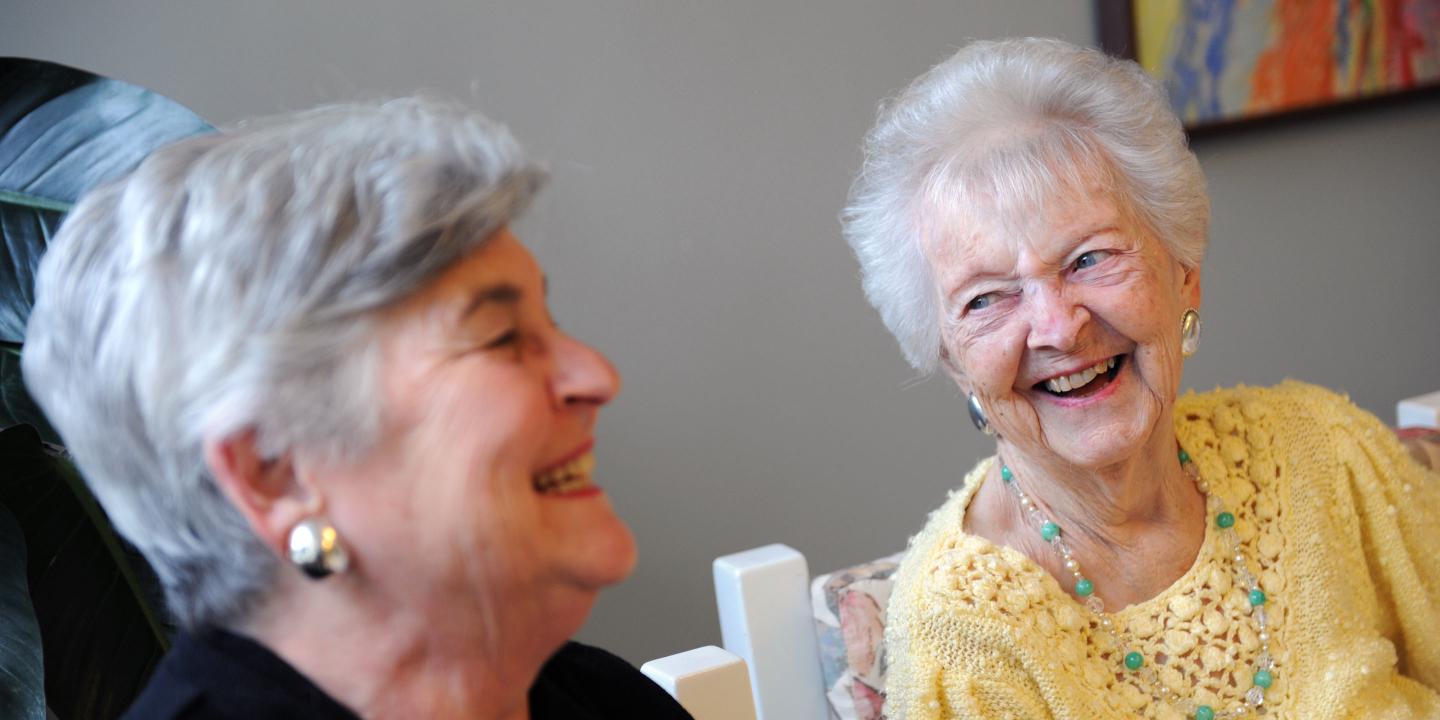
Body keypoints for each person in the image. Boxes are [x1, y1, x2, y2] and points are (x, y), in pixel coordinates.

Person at [22, 98, 693, 720]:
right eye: (501, 338)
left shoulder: (600, 702)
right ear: (274, 473)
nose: (596, 375)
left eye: (551, 323)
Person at [840, 38, 1440, 719]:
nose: (1058, 328)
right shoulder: (964, 635)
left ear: (1184, 273)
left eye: (1090, 258)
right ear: (952, 360)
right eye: (987, 298)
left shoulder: (1319, 450)